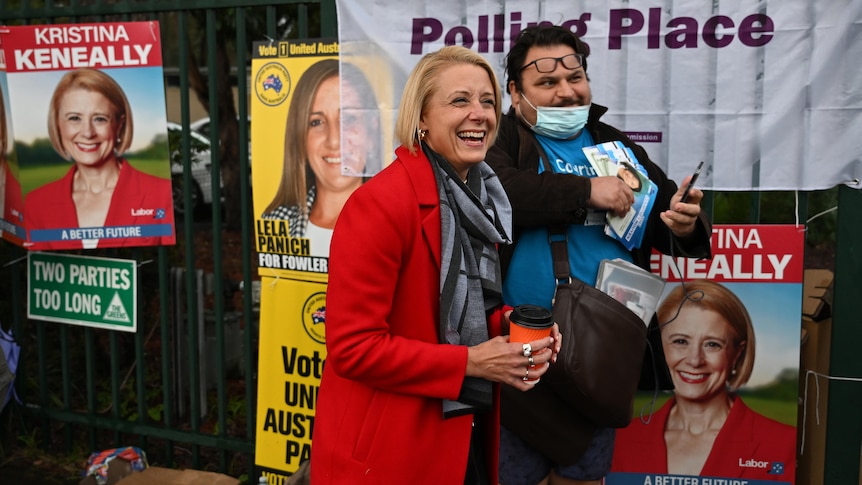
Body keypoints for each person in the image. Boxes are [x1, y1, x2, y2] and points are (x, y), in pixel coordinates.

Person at [310, 45, 562, 484]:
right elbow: (353, 348)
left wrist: (516, 332)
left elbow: (462, 314)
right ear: (421, 118)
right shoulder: (380, 205)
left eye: (488, 101)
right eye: (460, 100)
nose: (479, 114)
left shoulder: (480, 201)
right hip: (391, 451)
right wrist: (470, 363)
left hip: (461, 436)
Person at [485, 25, 713, 485]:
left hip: (601, 352)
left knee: (584, 475)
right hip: (520, 349)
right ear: (515, 91)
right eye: (547, 83)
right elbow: (499, 194)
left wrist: (685, 223)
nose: (567, 92)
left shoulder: (613, 142)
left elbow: (663, 211)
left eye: (576, 78)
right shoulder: (501, 138)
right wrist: (588, 190)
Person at [611, 280, 797, 482]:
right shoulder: (620, 439)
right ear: (659, 346)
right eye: (680, 341)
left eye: (712, 344)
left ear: (737, 353)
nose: (694, 360)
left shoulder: (783, 443)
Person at [24, 68, 175, 250]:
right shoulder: (36, 204)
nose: (87, 132)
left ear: (119, 125)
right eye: (74, 118)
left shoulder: (160, 195)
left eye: (100, 119)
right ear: (58, 124)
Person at [261, 59, 381, 255]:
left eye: (349, 118)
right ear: (300, 138)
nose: (334, 141)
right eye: (316, 122)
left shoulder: (401, 224)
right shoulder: (275, 222)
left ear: (371, 129)